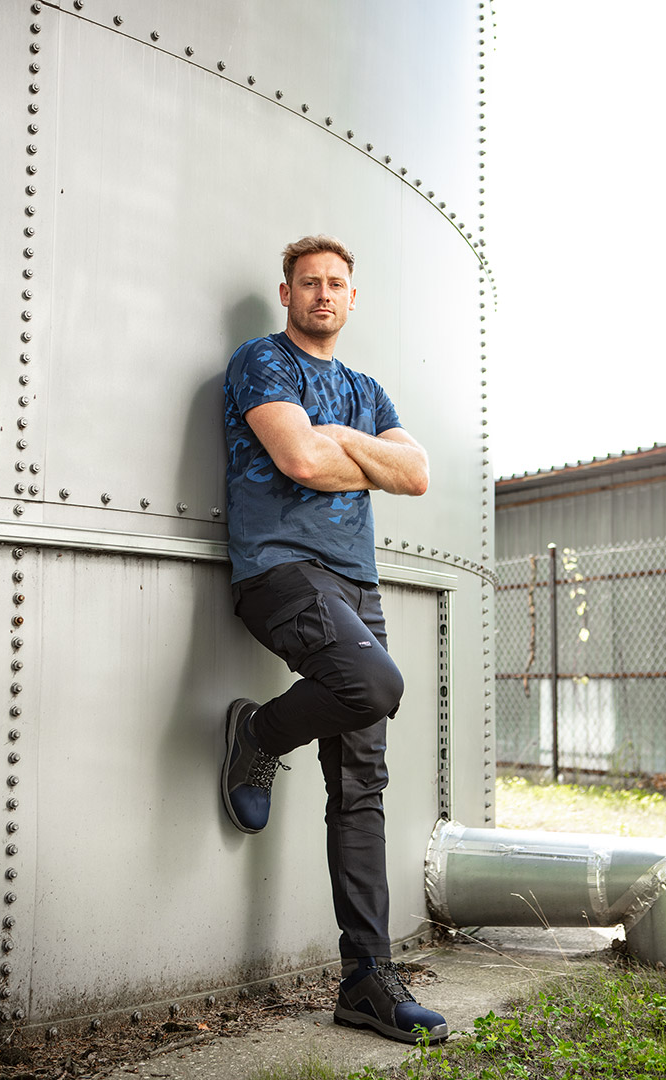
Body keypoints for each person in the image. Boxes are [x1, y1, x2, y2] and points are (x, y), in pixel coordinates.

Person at [221, 235, 448, 1045]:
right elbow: (300, 460)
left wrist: (340, 438)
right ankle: (260, 733)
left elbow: (416, 474)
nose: (323, 293)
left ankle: (366, 982)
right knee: (376, 684)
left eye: (336, 283)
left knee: (361, 784)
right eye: (309, 282)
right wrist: (359, 452)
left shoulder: (365, 388)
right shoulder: (263, 361)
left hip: (358, 582)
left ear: (353, 298)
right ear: (287, 293)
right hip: (280, 571)